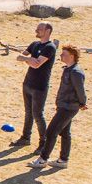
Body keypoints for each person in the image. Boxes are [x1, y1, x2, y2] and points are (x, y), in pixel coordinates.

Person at [30, 44, 87, 170]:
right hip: (64, 105)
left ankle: (43, 159)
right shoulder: (68, 69)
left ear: (72, 56)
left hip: (69, 107)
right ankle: (63, 160)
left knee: (51, 132)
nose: (61, 55)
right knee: (65, 132)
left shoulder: (76, 72)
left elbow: (80, 90)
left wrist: (82, 103)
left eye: (64, 54)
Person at [11, 21, 57, 149]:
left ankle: (44, 143)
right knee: (28, 112)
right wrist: (29, 59)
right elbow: (19, 57)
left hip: (40, 86)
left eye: (40, 29)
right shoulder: (34, 44)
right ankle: (25, 138)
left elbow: (37, 64)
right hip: (28, 83)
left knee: (38, 114)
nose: (36, 31)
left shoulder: (50, 47)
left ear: (48, 31)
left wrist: (29, 60)